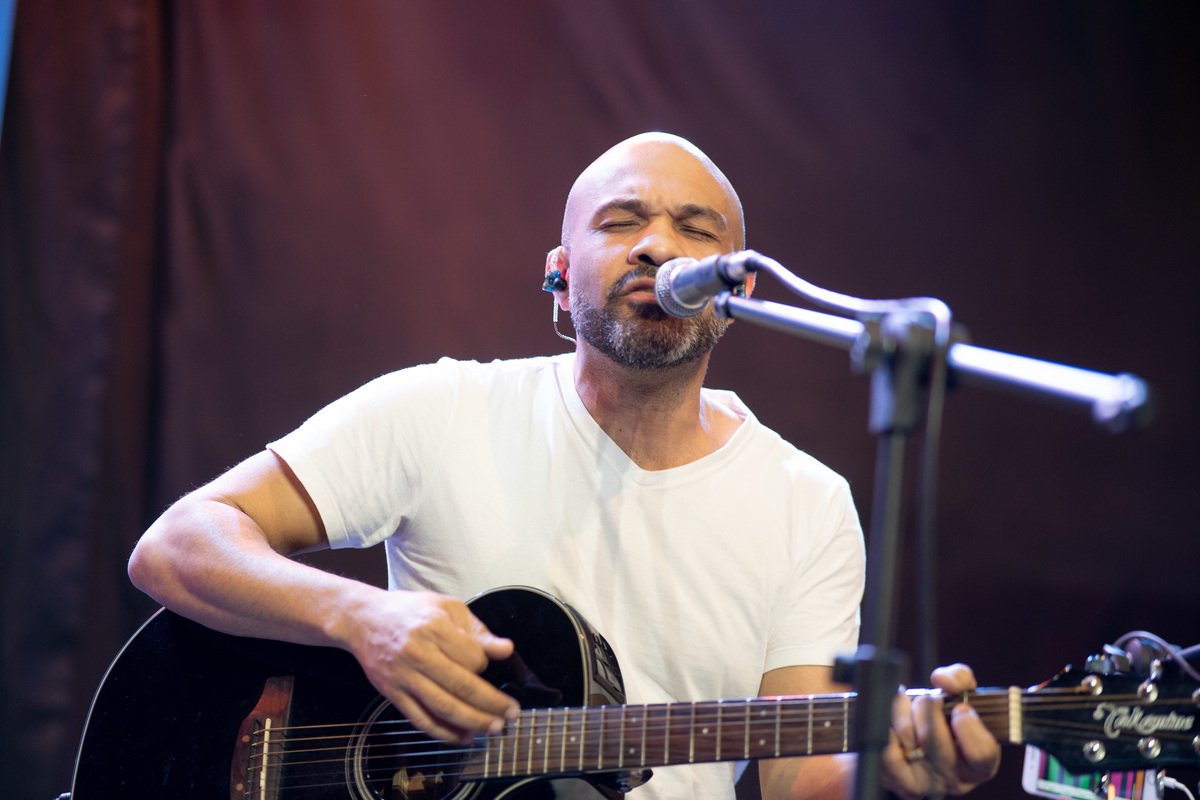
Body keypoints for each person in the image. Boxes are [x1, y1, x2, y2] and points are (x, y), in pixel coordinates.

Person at [128, 132, 1000, 800]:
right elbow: (176, 545)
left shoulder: (806, 503)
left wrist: (895, 772)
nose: (659, 248)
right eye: (623, 222)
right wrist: (363, 618)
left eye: (696, 233)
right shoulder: (441, 410)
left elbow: (793, 779)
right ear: (559, 275)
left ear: (736, 297)